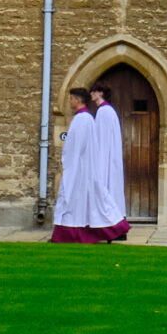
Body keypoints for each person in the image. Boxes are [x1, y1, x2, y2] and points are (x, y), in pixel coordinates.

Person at [50, 89, 107, 243]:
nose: (69, 102)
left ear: (77, 100)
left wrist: (68, 163)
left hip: (78, 169)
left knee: (71, 198)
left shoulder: (83, 119)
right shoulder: (83, 119)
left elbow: (76, 146)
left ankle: (69, 233)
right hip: (78, 167)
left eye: (71, 99)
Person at [90, 83, 131, 242]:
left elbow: (101, 141)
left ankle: (113, 229)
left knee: (107, 192)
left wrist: (98, 164)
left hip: (105, 160)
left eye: (94, 91)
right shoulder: (107, 111)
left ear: (100, 93)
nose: (92, 94)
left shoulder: (104, 112)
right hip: (108, 159)